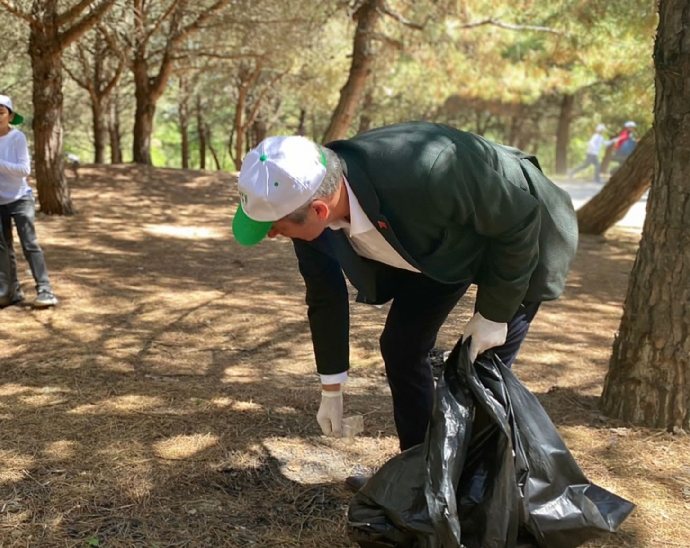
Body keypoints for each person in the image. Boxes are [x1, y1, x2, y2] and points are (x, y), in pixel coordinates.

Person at [232, 124, 578, 452]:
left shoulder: (429, 171)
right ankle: (418, 468)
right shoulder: (310, 199)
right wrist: (332, 388)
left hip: (521, 233)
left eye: (272, 227)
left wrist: (493, 315)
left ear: (320, 209)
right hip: (436, 244)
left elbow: (518, 220)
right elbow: (325, 295)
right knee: (401, 346)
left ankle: (478, 489)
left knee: (481, 368)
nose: (271, 235)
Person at [0, 94, 58, 308]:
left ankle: (45, 290)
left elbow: (24, 170)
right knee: (5, 247)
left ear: (10, 116)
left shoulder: (17, 138)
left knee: (30, 244)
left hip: (20, 198)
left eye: (2, 112)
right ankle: (13, 291)